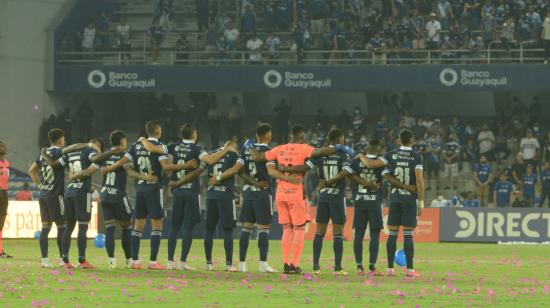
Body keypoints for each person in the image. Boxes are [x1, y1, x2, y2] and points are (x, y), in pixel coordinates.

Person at [249, 125, 354, 274]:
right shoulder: (304, 148)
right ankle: (294, 264)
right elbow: (319, 152)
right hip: (296, 191)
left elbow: (258, 157)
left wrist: (250, 146)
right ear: (302, 137)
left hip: (281, 192)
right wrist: (338, 148)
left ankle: (286, 263)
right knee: (298, 229)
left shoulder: (280, 148)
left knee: (286, 229)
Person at [109, 121, 192, 270]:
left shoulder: (136, 146)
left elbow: (124, 161)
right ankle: (153, 262)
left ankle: (135, 261)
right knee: (157, 224)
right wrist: (186, 166)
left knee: (138, 226)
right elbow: (166, 167)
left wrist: (110, 167)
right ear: (158, 132)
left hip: (140, 189)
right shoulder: (157, 148)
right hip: (154, 189)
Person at [279, 128, 353, 276]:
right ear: (339, 140)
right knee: (338, 233)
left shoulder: (320, 154)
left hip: (323, 197)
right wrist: (331, 181)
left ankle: (315, 266)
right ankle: (337, 268)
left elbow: (305, 168)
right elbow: (346, 171)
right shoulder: (342, 153)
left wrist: (289, 169)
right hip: (337, 196)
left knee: (319, 232)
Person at [211, 124, 283, 273]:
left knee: (246, 228)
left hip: (248, 193)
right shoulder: (267, 152)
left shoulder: (245, 150)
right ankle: (263, 264)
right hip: (262, 193)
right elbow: (271, 171)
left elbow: (237, 170)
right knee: (264, 228)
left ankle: (242, 264)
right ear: (267, 135)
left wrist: (218, 177)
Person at [163, 124, 236, 271]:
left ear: (181, 134)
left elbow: (158, 150)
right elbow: (208, 160)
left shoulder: (173, 146)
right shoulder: (197, 149)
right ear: (194, 135)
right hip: (191, 192)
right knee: (188, 227)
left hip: (177, 192)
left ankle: (170, 261)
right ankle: (182, 262)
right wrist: (226, 149)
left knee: (174, 227)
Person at [41, 137, 117, 269]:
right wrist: (110, 152)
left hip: (69, 192)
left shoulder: (71, 153)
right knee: (83, 227)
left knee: (69, 227)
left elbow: (53, 164)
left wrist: (44, 155)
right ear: (97, 146)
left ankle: (65, 260)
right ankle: (82, 261)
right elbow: (92, 166)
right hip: (82, 193)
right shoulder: (90, 152)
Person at [360, 129, 425, 278]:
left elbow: (373, 164)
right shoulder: (416, 157)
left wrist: (361, 156)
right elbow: (419, 180)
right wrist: (421, 200)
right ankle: (409, 270)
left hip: (395, 198)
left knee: (393, 234)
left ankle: (390, 269)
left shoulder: (390, 155)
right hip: (409, 199)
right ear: (412, 140)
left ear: (399, 140)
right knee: (408, 234)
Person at [28, 130, 93, 266]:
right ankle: (63, 259)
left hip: (43, 194)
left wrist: (40, 185)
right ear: (60, 140)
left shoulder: (42, 156)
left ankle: (45, 260)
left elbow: (31, 171)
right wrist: (88, 144)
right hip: (55, 194)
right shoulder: (58, 152)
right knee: (62, 226)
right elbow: (73, 147)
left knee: (45, 227)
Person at [92, 131, 154, 269]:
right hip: (118, 196)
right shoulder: (123, 156)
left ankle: (112, 261)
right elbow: (130, 172)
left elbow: (101, 171)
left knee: (109, 228)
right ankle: (129, 260)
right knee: (127, 226)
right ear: (122, 142)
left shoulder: (105, 155)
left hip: (105, 195)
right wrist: (145, 177)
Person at [349, 139, 404, 276]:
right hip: (374, 202)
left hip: (360, 201)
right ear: (377, 147)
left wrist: (360, 184)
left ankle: (359, 267)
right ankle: (372, 266)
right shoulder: (380, 162)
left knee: (359, 234)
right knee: (375, 235)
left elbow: (350, 175)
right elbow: (387, 177)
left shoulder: (357, 160)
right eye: (381, 147)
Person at [202, 140, 240, 272]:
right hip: (225, 196)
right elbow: (238, 169)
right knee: (228, 230)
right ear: (232, 147)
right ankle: (229, 265)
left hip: (211, 195)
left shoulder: (213, 154)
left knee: (209, 230)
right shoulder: (233, 155)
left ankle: (208, 264)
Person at [0, 141, 11, 258]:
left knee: (1, 223)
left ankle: (0, 251)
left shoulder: (6, 163)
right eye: (0, 146)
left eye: (3, 145)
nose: (3, 147)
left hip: (4, 193)